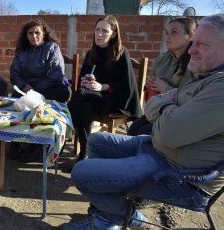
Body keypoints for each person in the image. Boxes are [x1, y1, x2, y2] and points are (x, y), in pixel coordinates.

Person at [61, 13, 224, 230]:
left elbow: (165, 126)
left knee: (81, 173)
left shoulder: (219, 87)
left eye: (201, 44)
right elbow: (152, 100)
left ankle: (128, 219)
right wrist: (168, 106)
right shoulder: (204, 78)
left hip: (182, 175)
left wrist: (166, 103)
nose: (192, 50)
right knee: (97, 140)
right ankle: (106, 218)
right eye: (193, 44)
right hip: (159, 149)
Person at [67, 15, 142, 164]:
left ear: (114, 34)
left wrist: (103, 86)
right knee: (85, 107)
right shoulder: (91, 53)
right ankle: (85, 151)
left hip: (116, 99)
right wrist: (86, 81)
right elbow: (83, 81)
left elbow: (127, 87)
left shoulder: (122, 53)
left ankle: (62, 129)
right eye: (97, 29)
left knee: (81, 94)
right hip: (94, 98)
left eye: (105, 31)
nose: (99, 34)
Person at [8, 19, 72, 162]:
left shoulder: (52, 48)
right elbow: (14, 74)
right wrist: (24, 86)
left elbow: (56, 74)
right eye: (30, 33)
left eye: (37, 32)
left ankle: (37, 145)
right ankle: (16, 139)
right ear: (26, 35)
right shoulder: (21, 51)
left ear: (44, 33)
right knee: (16, 97)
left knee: (36, 102)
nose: (34, 36)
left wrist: (35, 91)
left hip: (52, 87)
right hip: (28, 88)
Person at [127, 17, 196, 136]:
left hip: (180, 117)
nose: (168, 36)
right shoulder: (162, 59)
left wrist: (166, 89)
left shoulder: (196, 63)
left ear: (190, 36)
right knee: (133, 129)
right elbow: (148, 93)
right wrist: (150, 84)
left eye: (174, 32)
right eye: (167, 32)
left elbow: (195, 96)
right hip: (157, 111)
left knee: (144, 133)